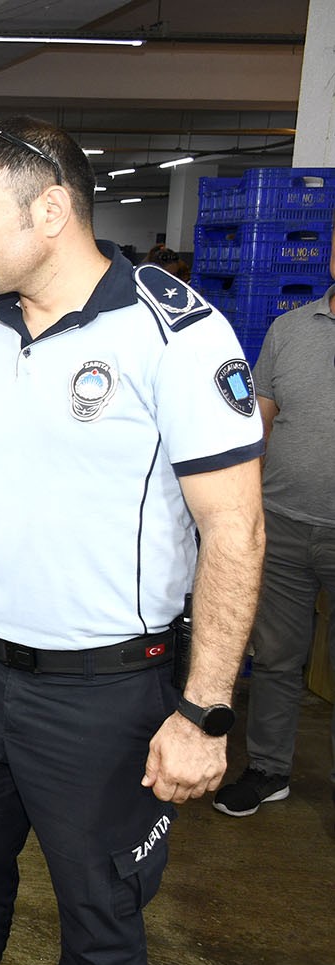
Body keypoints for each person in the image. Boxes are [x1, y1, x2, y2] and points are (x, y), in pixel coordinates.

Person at [0, 117, 265, 965]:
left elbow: (237, 531)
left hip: (102, 695)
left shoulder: (174, 335)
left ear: (52, 210)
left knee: (101, 925)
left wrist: (204, 712)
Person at [214, 259, 335, 817]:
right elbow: (258, 420)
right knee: (276, 657)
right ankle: (268, 769)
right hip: (282, 522)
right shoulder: (290, 328)